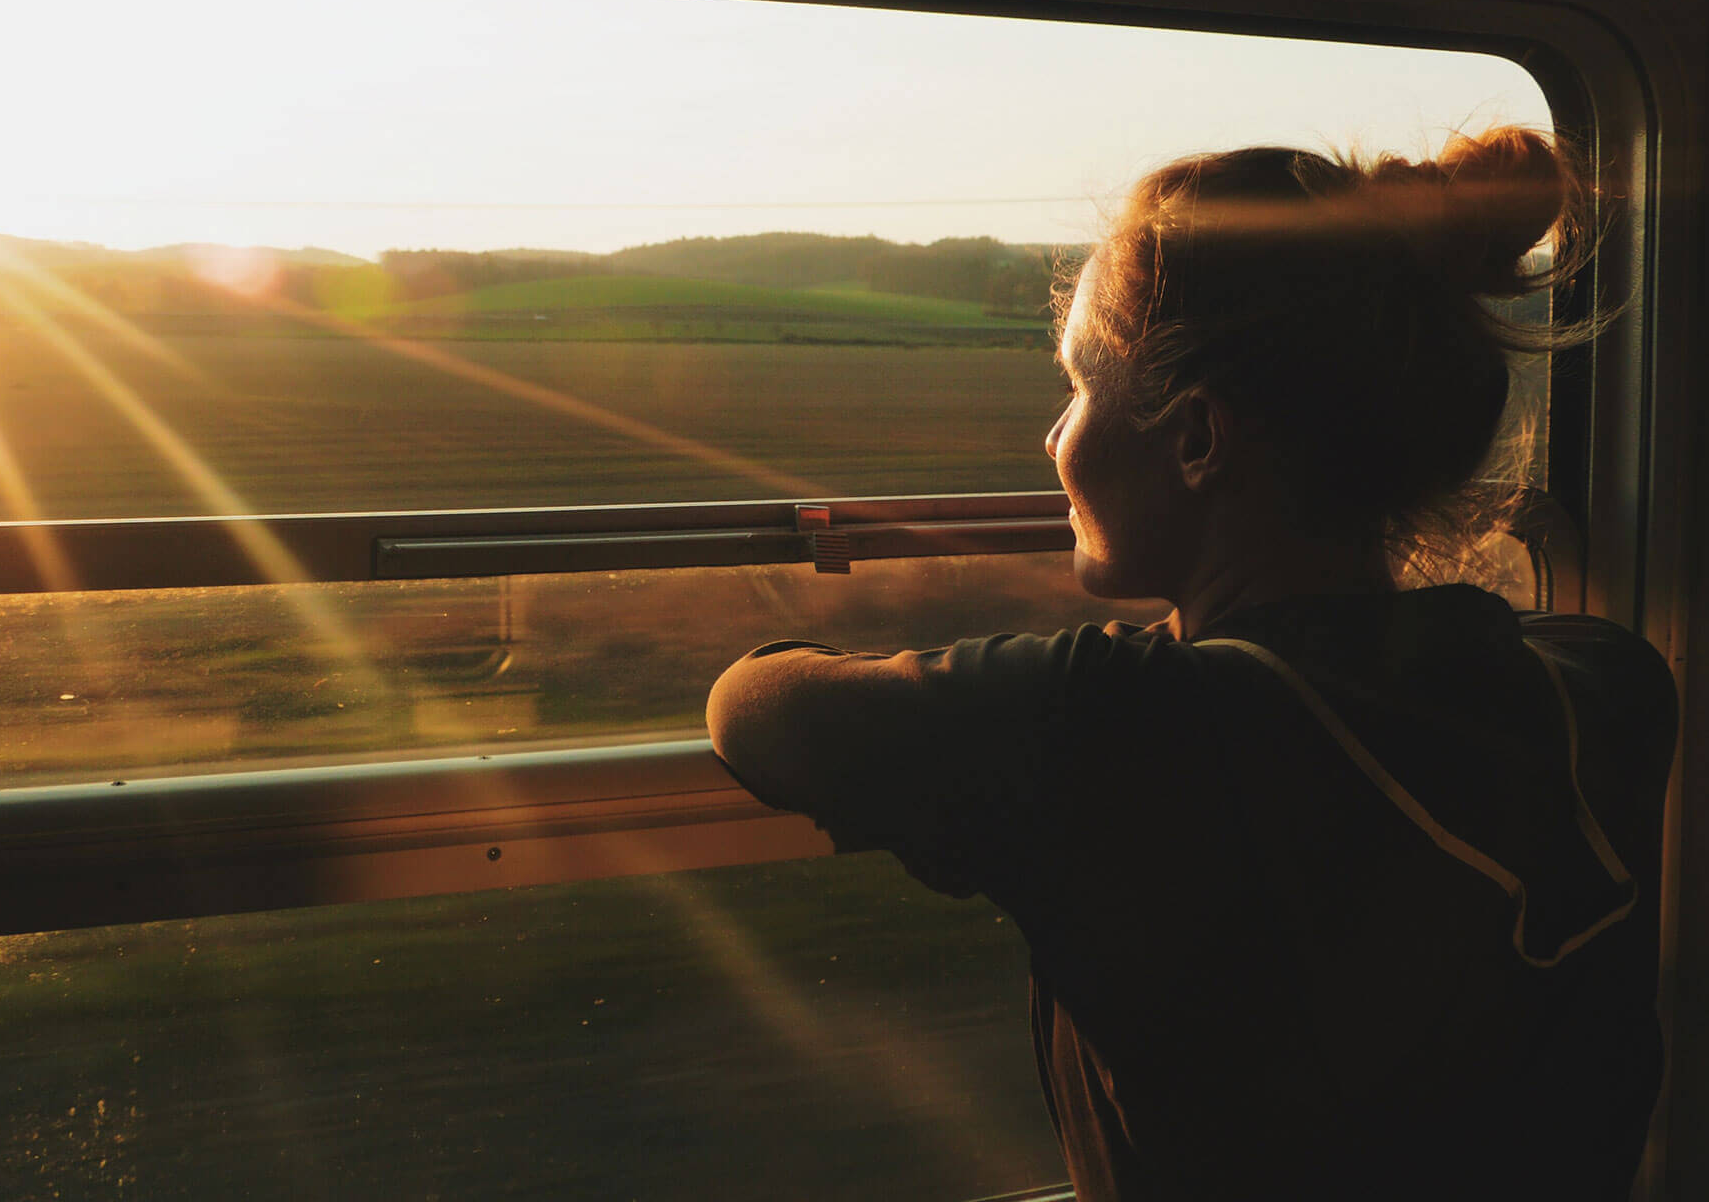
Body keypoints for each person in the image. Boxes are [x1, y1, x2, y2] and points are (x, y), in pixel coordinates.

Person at [706, 127, 1674, 1202]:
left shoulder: (1117, 724)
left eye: (1079, 386)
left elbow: (755, 708)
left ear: (1200, 439)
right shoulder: (1607, 684)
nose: (1054, 439)